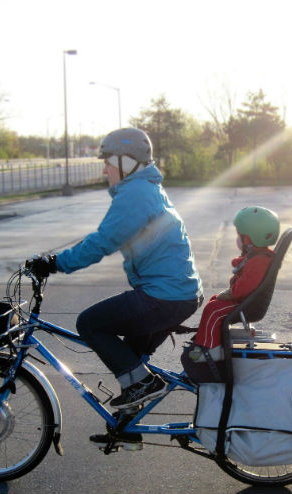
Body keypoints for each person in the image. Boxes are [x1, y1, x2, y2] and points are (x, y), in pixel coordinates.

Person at [28, 127, 203, 411]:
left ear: (127, 162)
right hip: (176, 294)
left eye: (108, 163)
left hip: (164, 297)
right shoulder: (146, 188)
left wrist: (54, 263)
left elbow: (103, 242)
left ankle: (143, 386)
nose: (105, 171)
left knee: (89, 323)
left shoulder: (135, 193)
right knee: (130, 364)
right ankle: (127, 429)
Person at [187, 206, 279, 364]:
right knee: (214, 300)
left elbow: (244, 287)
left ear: (250, 239)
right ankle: (211, 338)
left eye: (241, 236)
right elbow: (247, 270)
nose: (238, 239)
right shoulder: (260, 256)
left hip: (248, 305)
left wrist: (230, 293)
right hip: (247, 301)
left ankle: (210, 349)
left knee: (213, 310)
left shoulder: (259, 261)